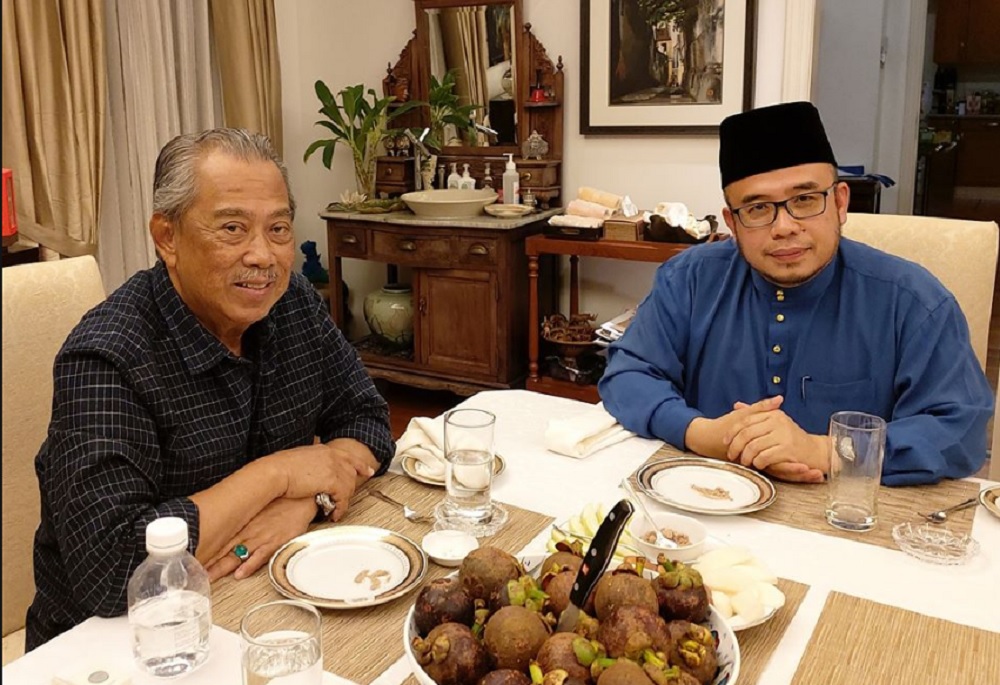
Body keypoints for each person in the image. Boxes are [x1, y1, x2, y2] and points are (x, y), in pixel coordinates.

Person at [26, 129, 395, 649]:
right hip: (118, 645)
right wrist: (279, 473)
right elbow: (114, 570)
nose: (263, 256)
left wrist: (305, 501)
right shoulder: (107, 357)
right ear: (167, 237)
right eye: (232, 228)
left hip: (257, 604)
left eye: (279, 228)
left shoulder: (292, 306)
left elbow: (367, 419)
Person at [600, 101, 992, 487]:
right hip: (704, 498)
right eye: (756, 208)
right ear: (731, 223)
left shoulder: (912, 300)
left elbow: (960, 431)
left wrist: (826, 451)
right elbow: (628, 374)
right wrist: (703, 434)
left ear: (839, 202)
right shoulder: (689, 279)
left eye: (804, 200)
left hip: (847, 517)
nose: (783, 226)